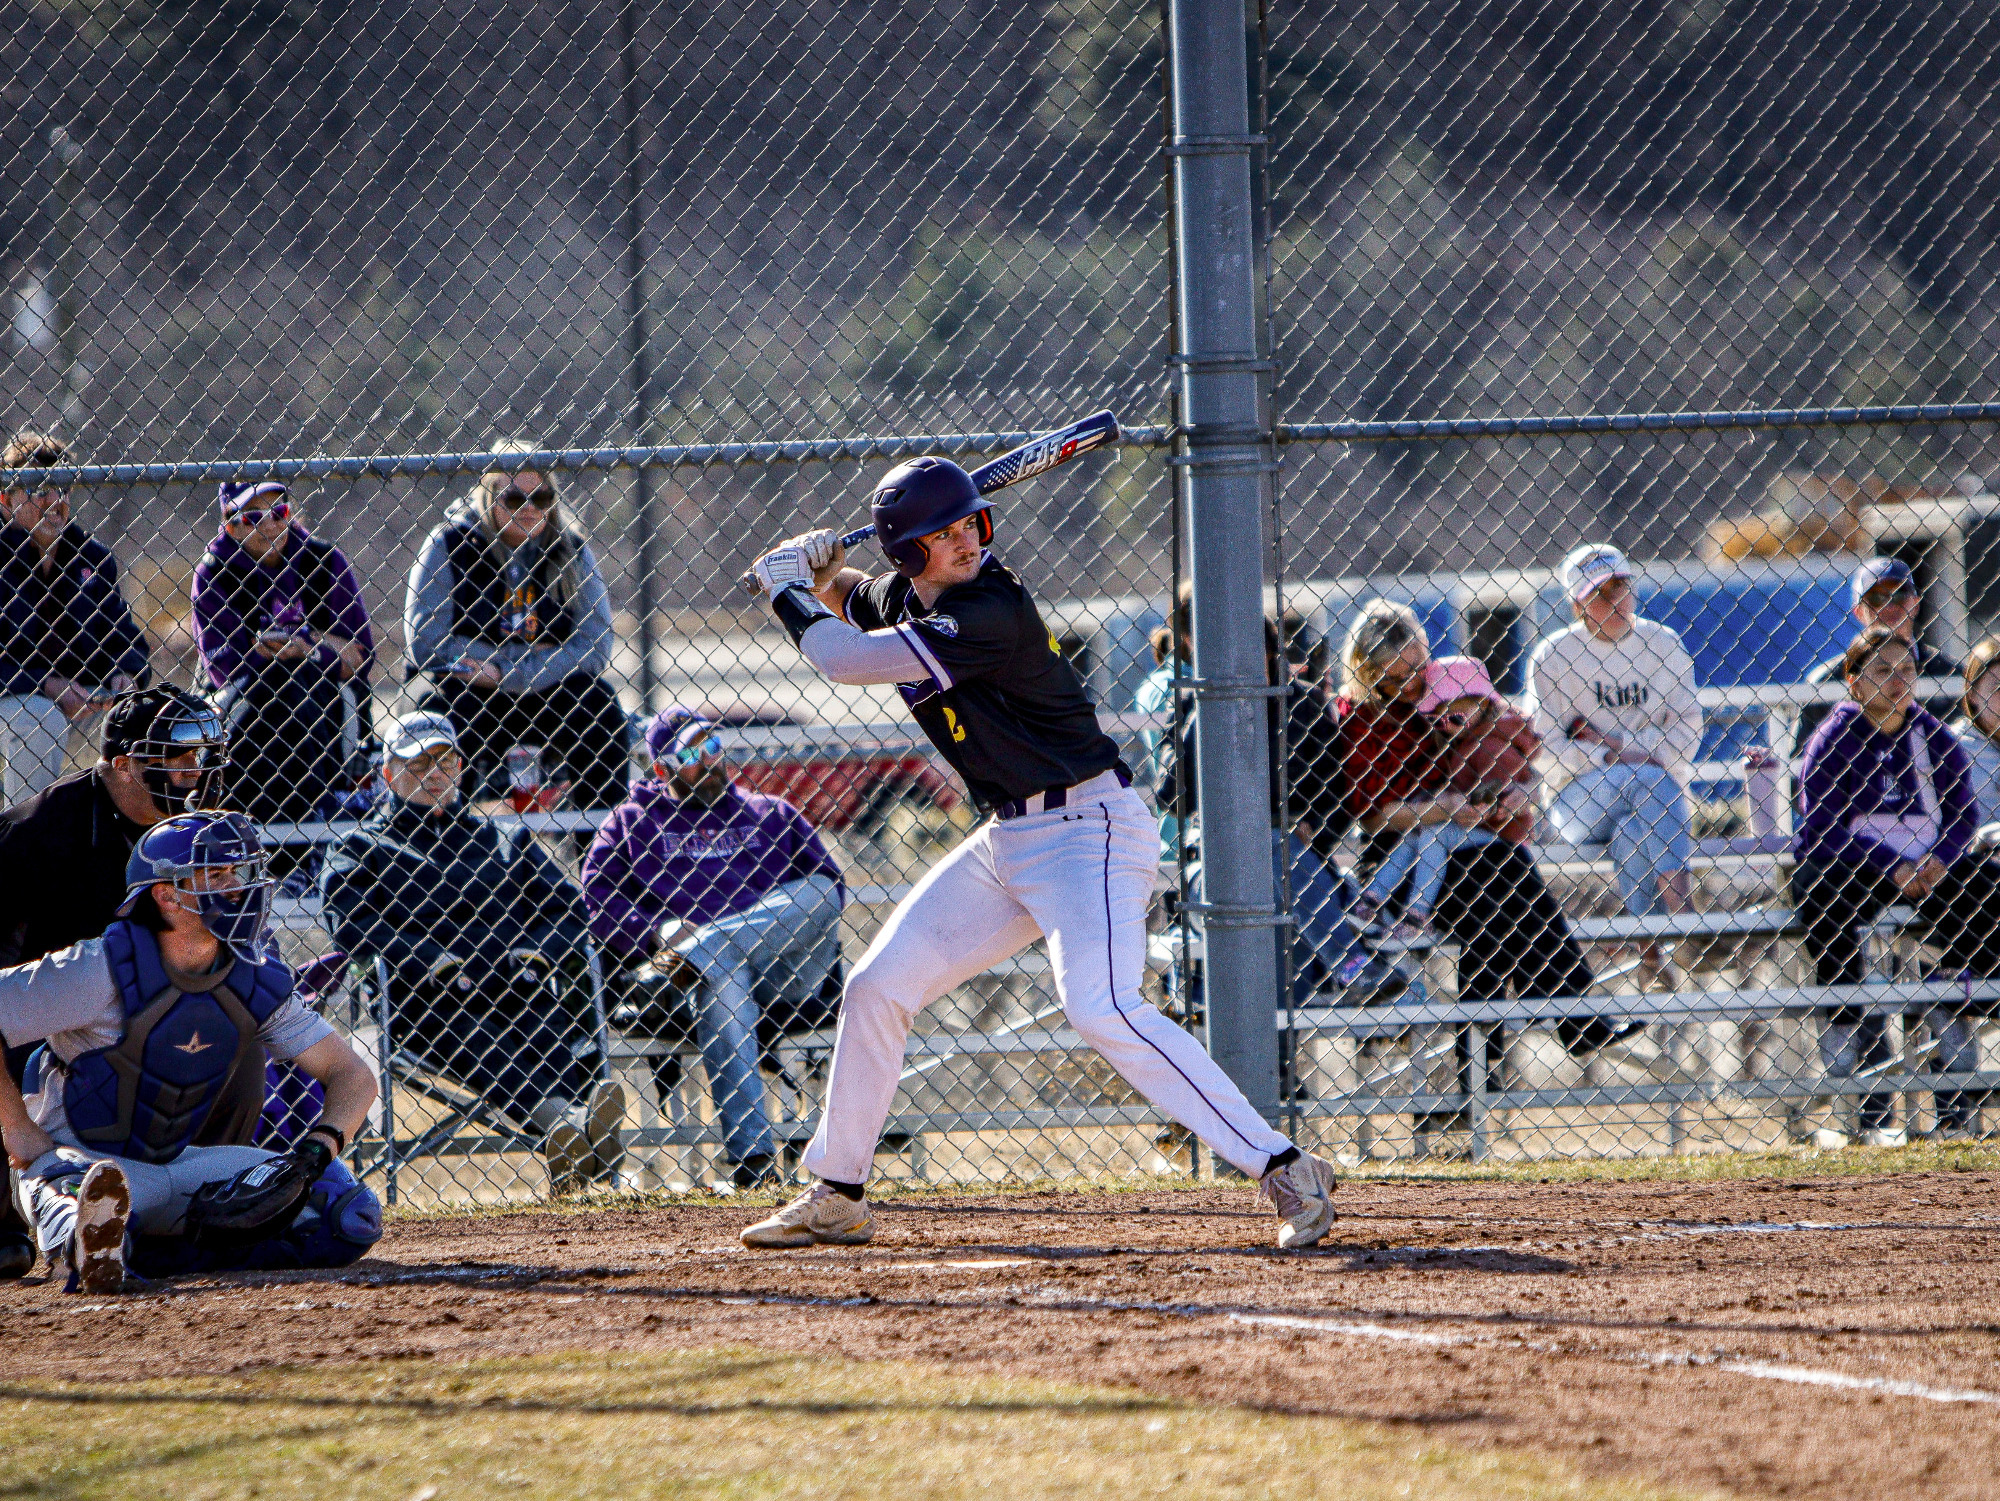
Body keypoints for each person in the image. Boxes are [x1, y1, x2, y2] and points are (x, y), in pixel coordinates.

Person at [735, 455, 1341, 1250]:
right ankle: (838, 1191)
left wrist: (786, 590)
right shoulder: (909, 595)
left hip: (1089, 829)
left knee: (1102, 1006)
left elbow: (844, 658)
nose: (966, 542)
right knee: (877, 987)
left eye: (971, 524)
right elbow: (851, 595)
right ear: (907, 553)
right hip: (1010, 838)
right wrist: (815, 570)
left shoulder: (989, 608)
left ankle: (1286, 1166)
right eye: (943, 534)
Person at [0, 811, 381, 1292]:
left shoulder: (252, 977)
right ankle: (91, 1240)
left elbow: (353, 1076)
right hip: (77, 1163)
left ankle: (138, 1252)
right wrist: (18, 1131)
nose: (237, 886)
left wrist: (314, 1152)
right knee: (89, 1205)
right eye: (215, 874)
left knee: (346, 1215)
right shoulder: (99, 968)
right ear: (166, 895)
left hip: (177, 1165)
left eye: (238, 871)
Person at [1337, 600, 1619, 1143]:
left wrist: (1510, 794)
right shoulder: (1360, 717)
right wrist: (1441, 809)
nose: (1415, 684)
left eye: (1419, 669)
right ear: (1369, 672)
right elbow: (1372, 815)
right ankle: (1567, 1015)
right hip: (1400, 859)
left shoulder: (1445, 695)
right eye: (1398, 677)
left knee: (1499, 880)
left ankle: (1477, 1077)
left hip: (1467, 846)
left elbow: (1503, 753)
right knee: (1499, 886)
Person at [318, 711, 623, 1190]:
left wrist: (534, 951)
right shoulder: (360, 846)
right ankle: (572, 1127)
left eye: (445, 761)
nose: (434, 774)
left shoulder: (505, 838)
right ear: (388, 774)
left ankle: (570, 1138)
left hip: (513, 983)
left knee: (544, 1021)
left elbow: (569, 911)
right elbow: (352, 927)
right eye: (418, 764)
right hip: (424, 1000)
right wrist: (429, 959)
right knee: (479, 1037)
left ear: (461, 768)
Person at [0, 685, 229, 1275]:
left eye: (199, 757)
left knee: (237, 1031)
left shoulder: (197, 829)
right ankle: (16, 1213)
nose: (193, 772)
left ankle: (205, 1209)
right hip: (45, 1009)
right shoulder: (44, 831)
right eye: (176, 759)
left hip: (143, 1009)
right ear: (123, 765)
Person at [582, 709, 845, 1188]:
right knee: (724, 979)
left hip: (785, 972)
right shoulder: (631, 822)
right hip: (693, 988)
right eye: (690, 754)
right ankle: (754, 1162)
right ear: (661, 769)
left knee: (820, 891)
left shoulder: (771, 812)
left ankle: (704, 950)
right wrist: (658, 931)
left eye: (712, 746)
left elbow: (828, 890)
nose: (708, 760)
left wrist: (701, 942)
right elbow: (596, 898)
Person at [1793, 626, 1999, 1143]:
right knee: (1820, 888)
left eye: (1906, 670)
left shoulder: (1932, 734)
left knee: (1985, 882)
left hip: (1926, 865)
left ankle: (1959, 995)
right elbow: (1821, 825)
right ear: (1854, 680)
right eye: (1882, 670)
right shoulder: (1834, 736)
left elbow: (1963, 815)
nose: (1897, 681)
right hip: (1859, 864)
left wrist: (1939, 859)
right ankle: (1844, 1023)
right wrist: (1889, 864)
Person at [404, 443, 630, 809]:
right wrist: (522, 657)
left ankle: (603, 838)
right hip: (470, 690)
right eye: (513, 498)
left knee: (598, 703)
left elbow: (595, 645)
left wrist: (505, 671)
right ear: (488, 495)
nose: (528, 508)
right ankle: (449, 835)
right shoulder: (449, 543)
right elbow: (426, 642)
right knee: (438, 710)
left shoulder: (571, 548)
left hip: (546, 689)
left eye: (540, 497)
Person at [1526, 544, 1699, 988]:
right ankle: (1685, 915)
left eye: (1620, 587)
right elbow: (1543, 748)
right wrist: (1607, 756)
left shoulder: (1664, 644)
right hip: (1578, 801)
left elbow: (1688, 732)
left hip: (1654, 804)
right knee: (1647, 778)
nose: (1614, 601)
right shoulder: (1554, 655)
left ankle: (1650, 954)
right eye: (1599, 594)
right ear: (1576, 605)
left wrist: (1617, 744)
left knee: (1632, 828)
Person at [192, 481, 375, 823]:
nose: (270, 524)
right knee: (280, 680)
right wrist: (313, 645)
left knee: (298, 676)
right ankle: (313, 807)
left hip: (322, 695)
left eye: (279, 512)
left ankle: (306, 811)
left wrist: (306, 648)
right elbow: (222, 668)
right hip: (246, 700)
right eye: (254, 517)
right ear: (231, 525)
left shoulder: (324, 560)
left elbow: (360, 656)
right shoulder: (215, 571)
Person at [0, 430, 150, 803]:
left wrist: (124, 675)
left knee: (147, 715)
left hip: (83, 696)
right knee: (39, 716)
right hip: (16, 695)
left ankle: (122, 831)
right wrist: (46, 685)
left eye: (63, 489)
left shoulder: (91, 557)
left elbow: (124, 638)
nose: (55, 502)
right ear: (5, 499)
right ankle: (25, 831)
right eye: (39, 490)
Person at [1351, 655, 1537, 943]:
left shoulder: (1491, 743)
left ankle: (1417, 915)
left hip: (1502, 836)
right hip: (1476, 830)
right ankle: (1372, 898)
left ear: (1484, 704)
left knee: (1434, 834)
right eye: (1438, 720)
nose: (1448, 725)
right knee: (1417, 833)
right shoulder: (1465, 740)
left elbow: (1502, 799)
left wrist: (1478, 805)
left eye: (1456, 717)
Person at [1793, 556, 1963, 755]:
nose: (1889, 606)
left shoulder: (1951, 674)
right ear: (1858, 612)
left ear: (1916, 605)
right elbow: (1799, 762)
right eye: (1876, 598)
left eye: (1900, 595)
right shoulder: (1825, 682)